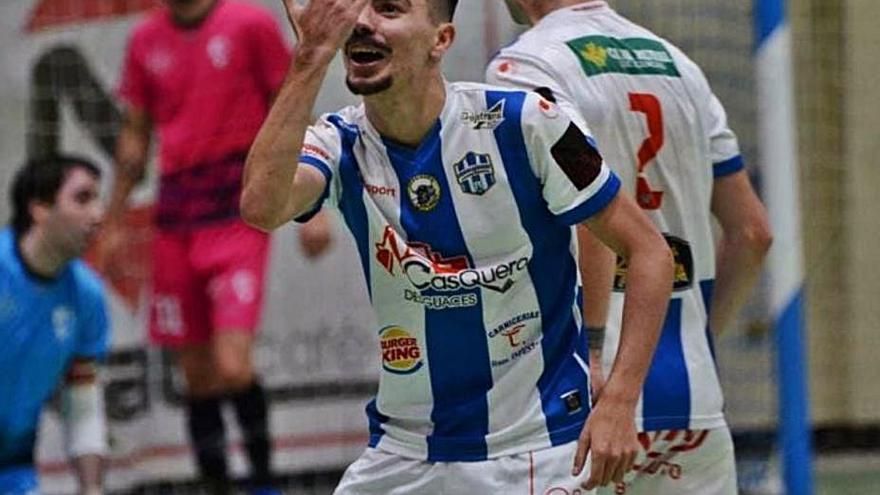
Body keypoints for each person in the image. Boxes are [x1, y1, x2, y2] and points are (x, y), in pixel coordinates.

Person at [242, 0, 676, 493]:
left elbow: (649, 252)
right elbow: (261, 207)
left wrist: (619, 400)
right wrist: (309, 58)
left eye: (389, 10)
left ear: (441, 41)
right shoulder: (340, 142)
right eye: (357, 10)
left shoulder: (533, 122)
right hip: (405, 452)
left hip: (538, 449)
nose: (363, 23)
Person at [488, 1, 774, 493]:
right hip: (694, 403)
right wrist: (699, 337)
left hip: (587, 402)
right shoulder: (680, 65)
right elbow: (752, 232)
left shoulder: (526, 65)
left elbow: (585, 214)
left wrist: (596, 355)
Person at [101, 0, 330, 492]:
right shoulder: (145, 39)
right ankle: (216, 486)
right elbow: (136, 133)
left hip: (235, 212)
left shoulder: (248, 22)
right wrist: (115, 219)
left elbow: (288, 103)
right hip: (175, 218)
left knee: (233, 365)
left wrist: (316, 208)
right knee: (198, 378)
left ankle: (266, 482)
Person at [0, 156, 109, 495]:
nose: (98, 215)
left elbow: (82, 401)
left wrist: (92, 489)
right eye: (82, 198)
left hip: (13, 465)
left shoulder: (87, 296)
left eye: (98, 199)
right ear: (40, 210)